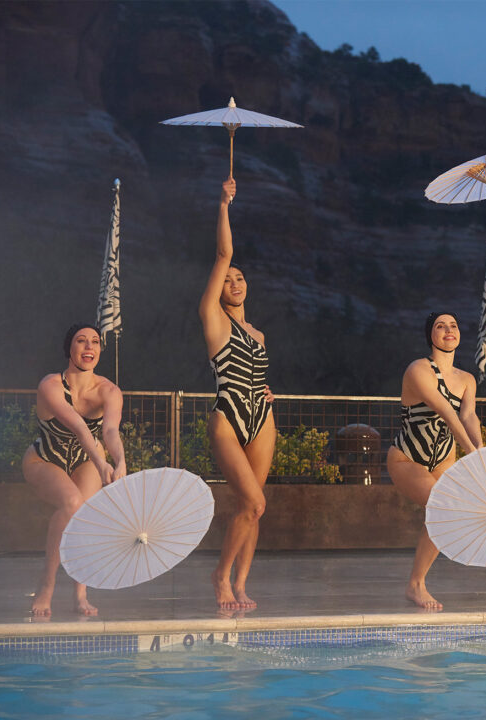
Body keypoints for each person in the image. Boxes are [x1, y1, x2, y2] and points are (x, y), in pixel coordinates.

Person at [200, 177, 276, 610]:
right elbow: (223, 252)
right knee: (253, 500)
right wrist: (224, 203)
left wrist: (267, 392)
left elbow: (255, 371)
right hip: (229, 416)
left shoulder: (258, 333)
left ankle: (242, 583)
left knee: (256, 509)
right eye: (228, 278)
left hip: (261, 418)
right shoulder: (214, 320)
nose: (235, 280)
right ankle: (219, 575)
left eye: (240, 277)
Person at [24, 323, 126, 616]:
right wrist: (101, 462)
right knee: (71, 503)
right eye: (81, 341)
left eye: (95, 342)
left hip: (84, 459)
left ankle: (81, 593)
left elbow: (109, 432)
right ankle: (47, 584)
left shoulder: (109, 390)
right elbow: (80, 427)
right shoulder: (50, 385)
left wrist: (119, 461)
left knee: (84, 515)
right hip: (44, 459)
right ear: (69, 348)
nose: (89, 347)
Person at [387, 312, 483, 609]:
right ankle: (415, 585)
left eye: (454, 325)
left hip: (443, 460)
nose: (448, 330)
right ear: (431, 335)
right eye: (441, 326)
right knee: (442, 507)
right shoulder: (419, 369)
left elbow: (468, 416)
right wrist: (474, 454)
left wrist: (482, 451)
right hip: (407, 459)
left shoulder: (467, 379)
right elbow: (446, 411)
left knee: (446, 516)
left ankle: (418, 581)